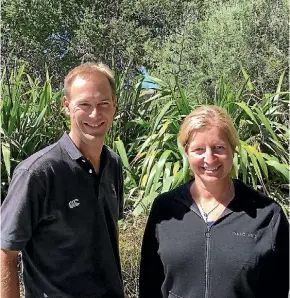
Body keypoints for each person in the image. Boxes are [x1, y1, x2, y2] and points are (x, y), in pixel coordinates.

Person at [1, 63, 125, 297]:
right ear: (67, 106)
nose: (95, 114)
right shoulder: (39, 173)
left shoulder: (113, 164)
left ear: (114, 105)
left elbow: (109, 232)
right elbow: (5, 253)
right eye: (84, 105)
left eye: (103, 104)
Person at [139, 105, 289, 298]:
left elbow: (278, 287)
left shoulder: (267, 214)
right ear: (186, 152)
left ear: (233, 149)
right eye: (199, 149)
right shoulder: (165, 210)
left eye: (219, 147)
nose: (209, 159)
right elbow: (149, 285)